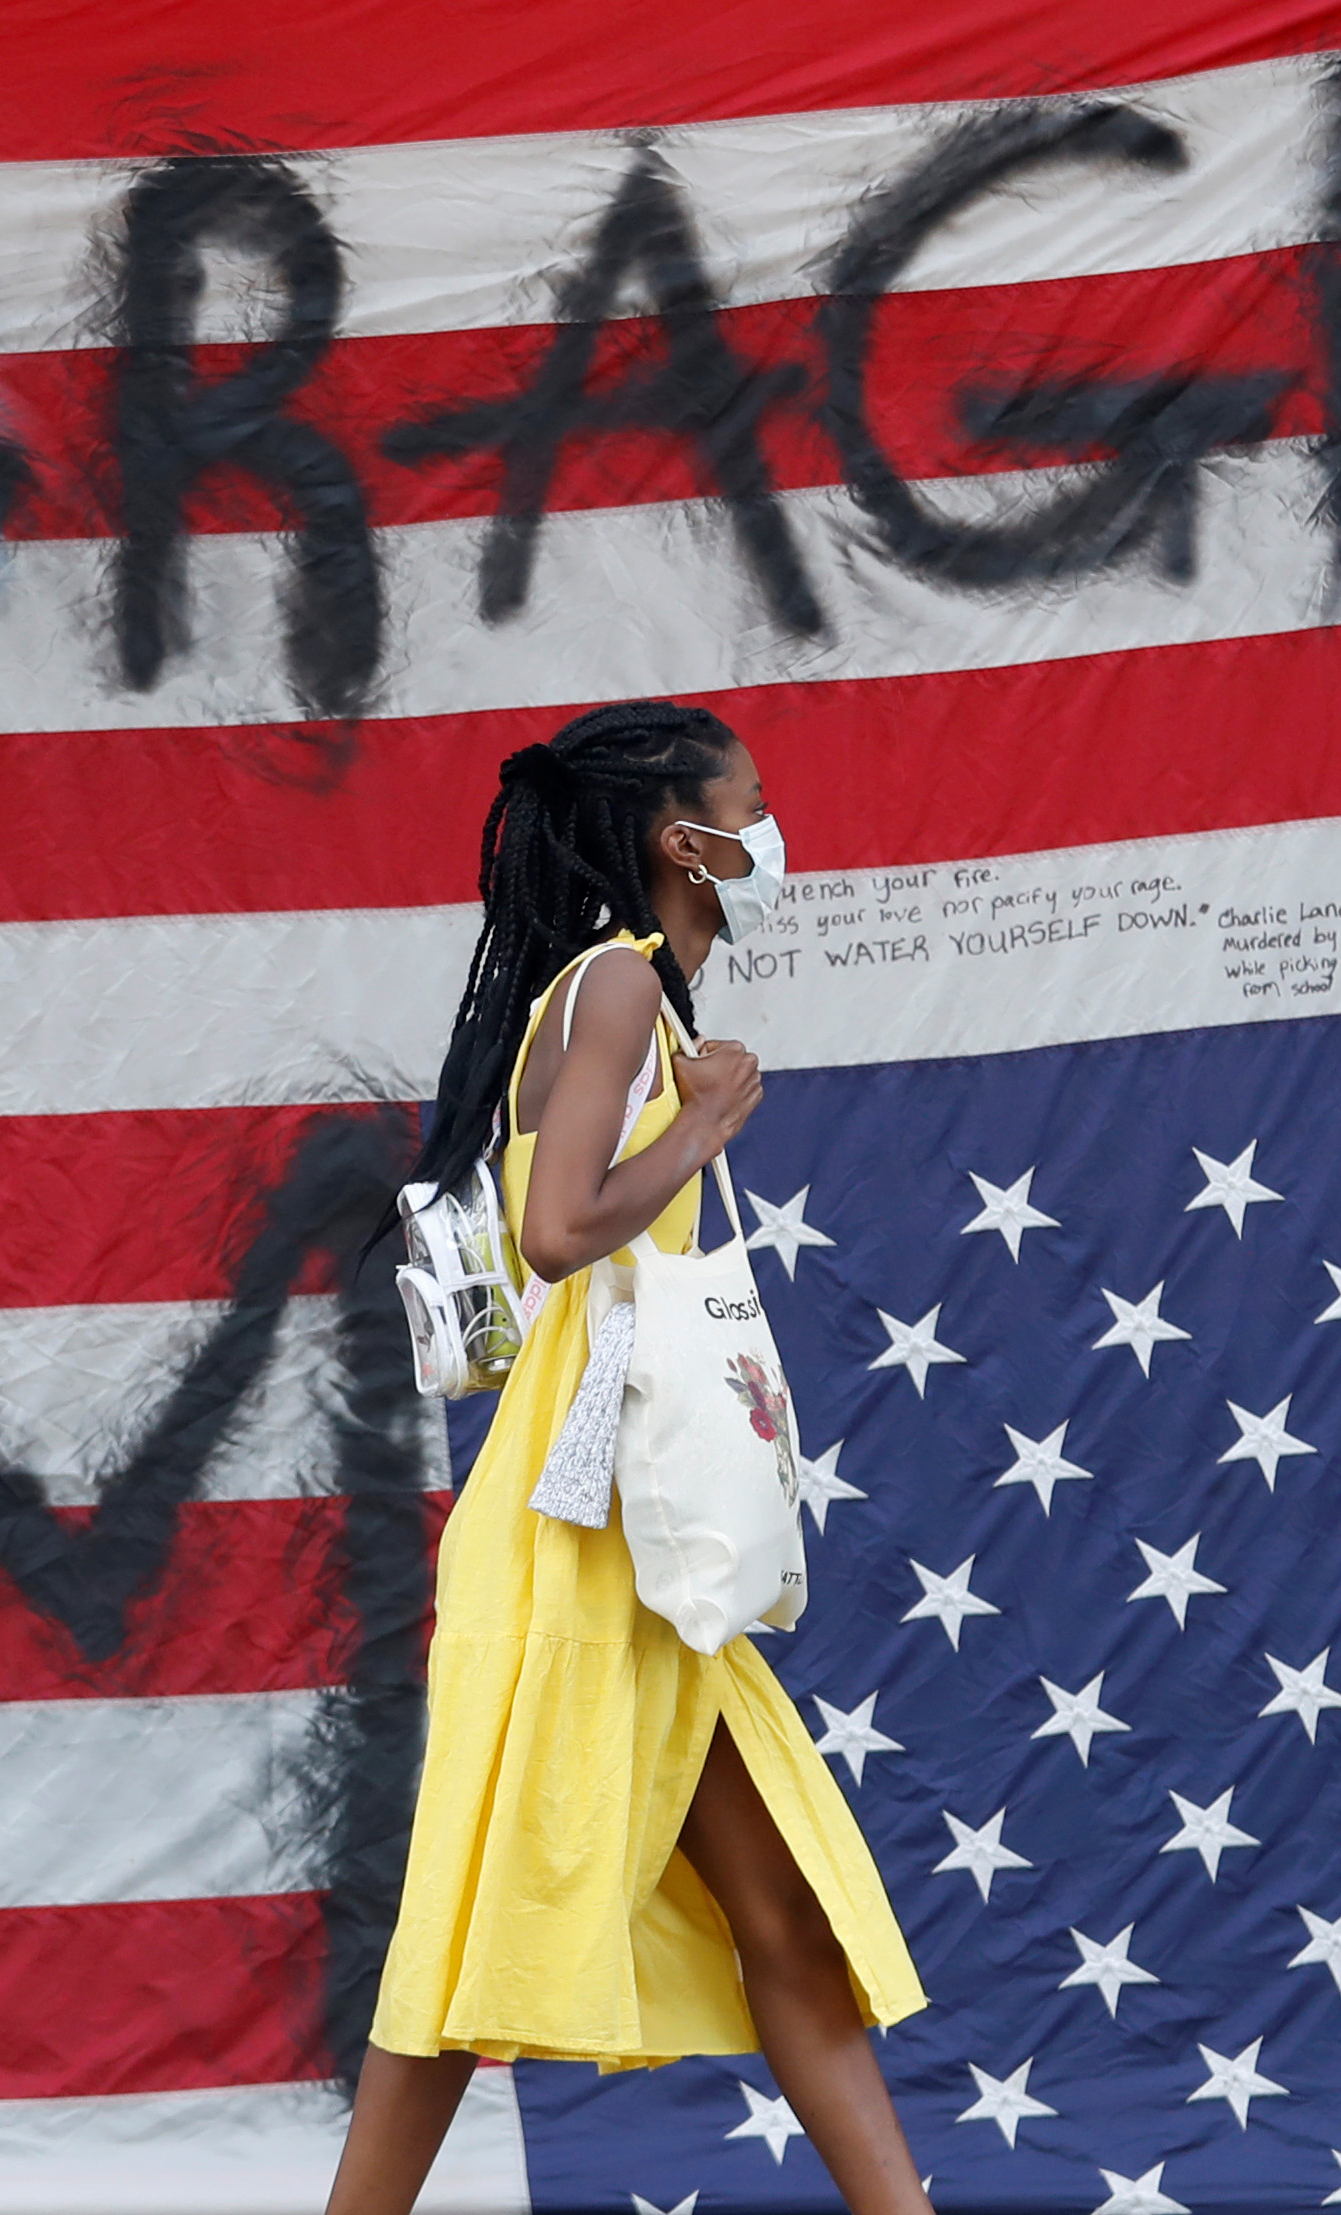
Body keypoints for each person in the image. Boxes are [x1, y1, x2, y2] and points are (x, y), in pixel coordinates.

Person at [326, 701, 931, 2215]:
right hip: (573, 1533)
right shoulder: (609, 988)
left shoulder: (641, 1004)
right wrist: (710, 1121)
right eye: (755, 804)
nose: (772, 829)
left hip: (641, 1543)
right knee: (477, 1934)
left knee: (783, 1920)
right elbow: (556, 1232)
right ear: (683, 840)